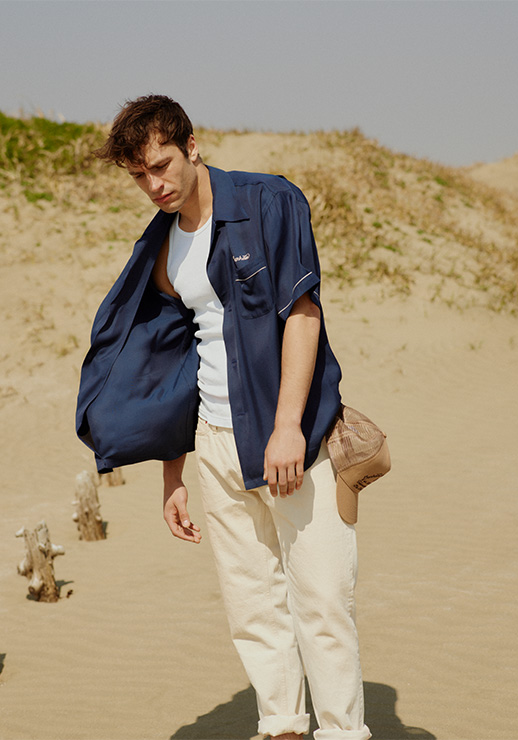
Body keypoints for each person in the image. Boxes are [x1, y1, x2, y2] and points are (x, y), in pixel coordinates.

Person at [76, 95, 371, 740]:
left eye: (161, 165)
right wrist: (172, 472)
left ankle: (343, 731)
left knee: (323, 600)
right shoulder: (161, 248)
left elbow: (303, 315)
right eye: (139, 176)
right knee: (253, 607)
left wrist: (288, 427)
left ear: (191, 146)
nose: (155, 185)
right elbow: (172, 364)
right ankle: (282, 726)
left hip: (296, 442)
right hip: (215, 445)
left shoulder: (271, 203)